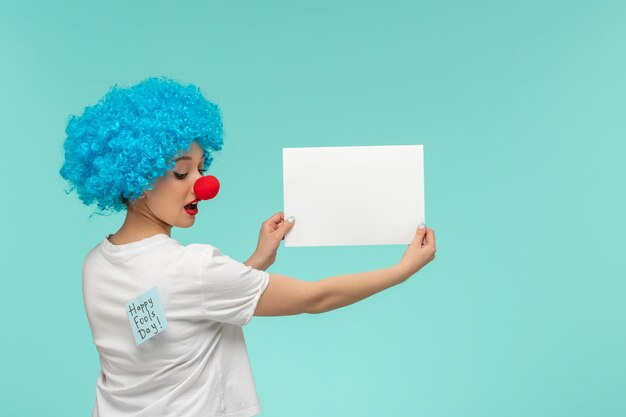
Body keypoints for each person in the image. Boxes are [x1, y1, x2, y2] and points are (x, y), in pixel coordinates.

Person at [59, 77, 436, 417]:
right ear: (137, 177)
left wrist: (258, 260)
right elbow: (313, 297)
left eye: (202, 168)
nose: (203, 184)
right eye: (181, 171)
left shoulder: (95, 264)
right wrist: (401, 271)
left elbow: (185, 308)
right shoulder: (193, 268)